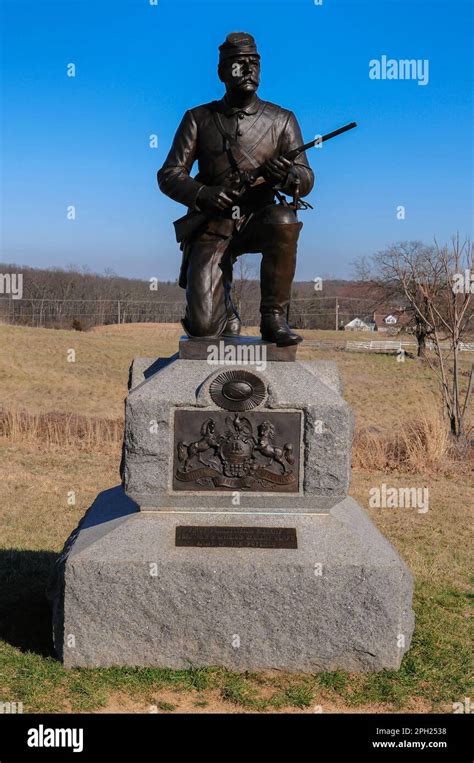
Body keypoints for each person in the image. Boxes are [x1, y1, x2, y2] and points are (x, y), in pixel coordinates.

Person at [158, 32, 314, 346]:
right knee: (204, 329)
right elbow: (169, 174)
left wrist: (286, 175)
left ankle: (274, 318)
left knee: (285, 220)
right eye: (238, 64)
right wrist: (203, 194)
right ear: (221, 73)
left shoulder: (282, 120)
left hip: (260, 220)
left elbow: (306, 178)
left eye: (254, 63)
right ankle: (226, 310)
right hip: (212, 224)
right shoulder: (198, 118)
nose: (248, 70)